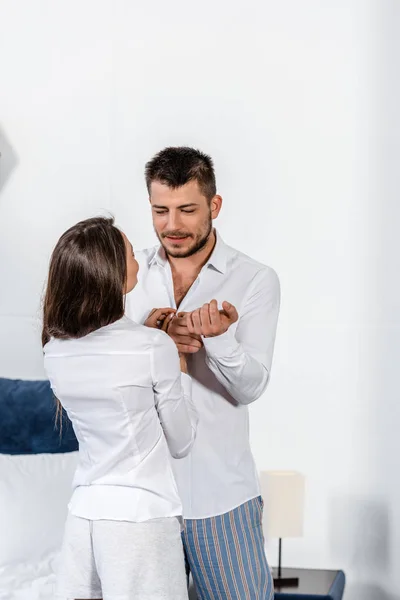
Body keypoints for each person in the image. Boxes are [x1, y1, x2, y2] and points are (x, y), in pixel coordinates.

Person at [125, 147, 281, 599]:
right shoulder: (127, 276)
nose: (171, 225)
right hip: (146, 502)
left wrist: (217, 339)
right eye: (160, 210)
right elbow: (108, 375)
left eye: (187, 210)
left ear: (214, 206)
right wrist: (156, 346)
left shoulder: (255, 280)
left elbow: (251, 386)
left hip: (223, 500)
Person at [42, 216, 197, 600]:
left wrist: (149, 338)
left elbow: (110, 372)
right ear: (109, 270)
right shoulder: (152, 347)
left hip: (83, 519)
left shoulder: (54, 350)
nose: (138, 261)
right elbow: (182, 441)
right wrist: (176, 361)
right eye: (129, 253)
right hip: (139, 521)